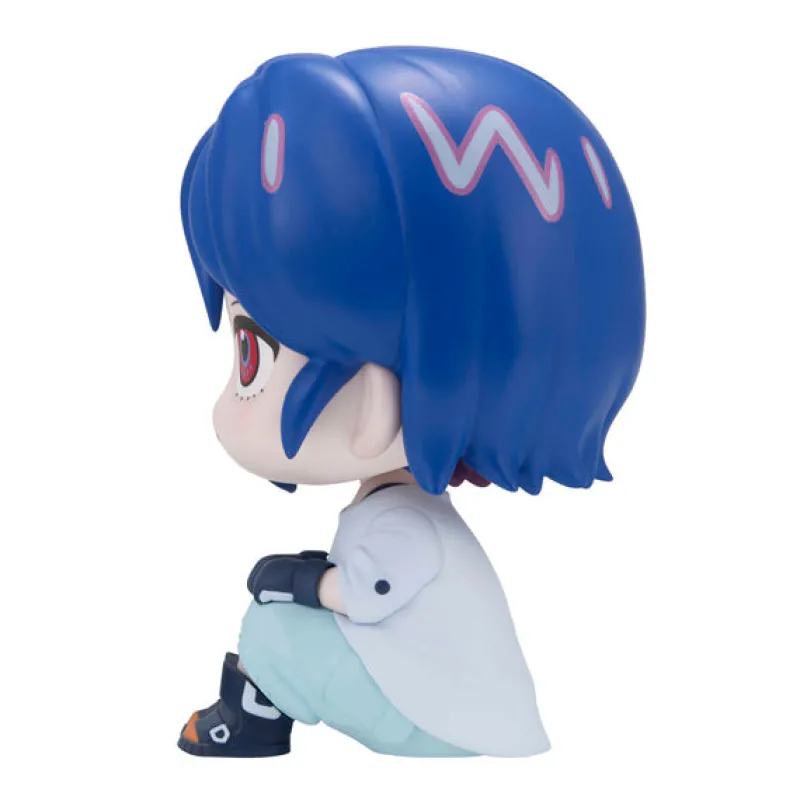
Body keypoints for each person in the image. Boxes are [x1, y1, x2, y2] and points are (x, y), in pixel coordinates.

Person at [177, 46, 645, 759]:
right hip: (440, 706)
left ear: (376, 396)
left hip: (433, 722)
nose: (230, 400)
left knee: (274, 628)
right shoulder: (403, 513)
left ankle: (250, 718)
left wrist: (297, 581)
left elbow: (368, 594)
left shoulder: (405, 522)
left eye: (252, 357)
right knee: (285, 615)